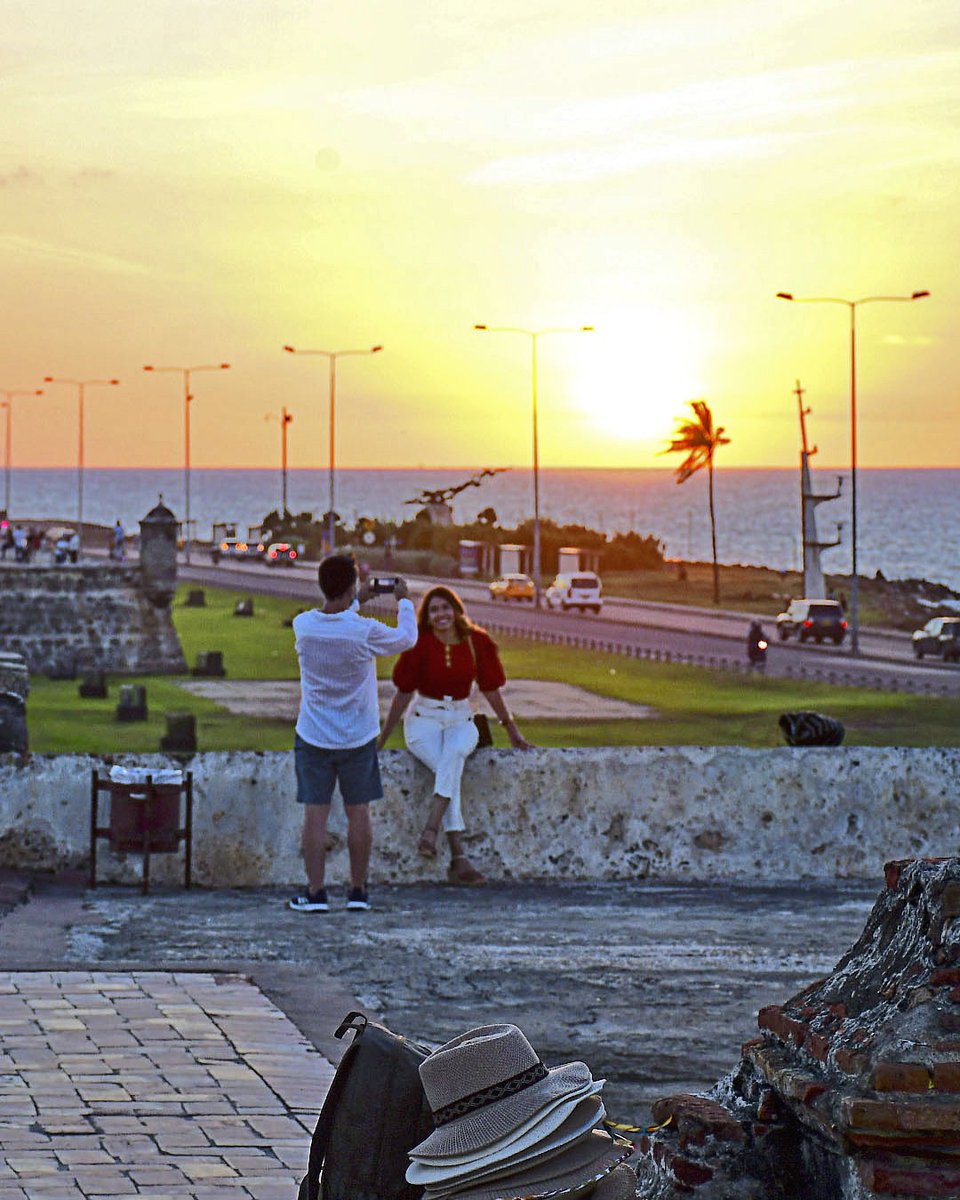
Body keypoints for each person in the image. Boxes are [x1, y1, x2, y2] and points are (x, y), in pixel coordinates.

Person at [378, 585, 532, 886]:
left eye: (445, 608)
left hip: (462, 719)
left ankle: (433, 828)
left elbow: (490, 689)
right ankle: (459, 856)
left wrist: (512, 729)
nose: (441, 615)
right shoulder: (419, 644)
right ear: (427, 617)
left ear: (457, 610)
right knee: (449, 766)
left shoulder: (477, 642)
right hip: (423, 722)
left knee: (454, 753)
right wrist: (381, 740)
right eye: (434, 610)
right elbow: (403, 693)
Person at [288, 553, 416, 914]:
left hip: (313, 735)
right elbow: (407, 638)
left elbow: (334, 616)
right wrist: (404, 601)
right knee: (359, 813)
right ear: (350, 586)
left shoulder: (303, 625)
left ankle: (316, 893)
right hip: (358, 736)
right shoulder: (364, 630)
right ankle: (358, 891)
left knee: (315, 816)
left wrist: (355, 598)